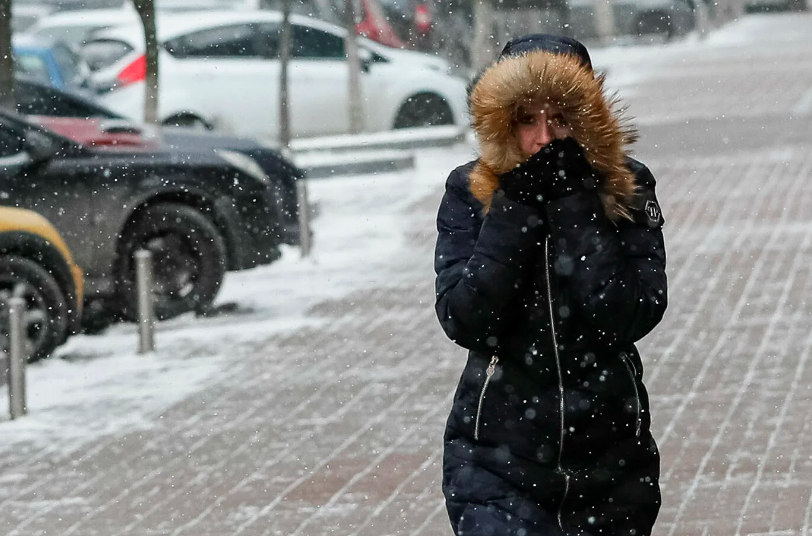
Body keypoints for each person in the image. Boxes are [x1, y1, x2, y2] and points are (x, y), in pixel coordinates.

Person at [434, 34, 667, 536]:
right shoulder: (469, 191)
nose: (544, 138)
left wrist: (573, 203)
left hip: (611, 464)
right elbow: (466, 318)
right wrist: (514, 209)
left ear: (588, 121)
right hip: (496, 461)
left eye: (561, 118)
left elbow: (630, 313)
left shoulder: (627, 185)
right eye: (527, 119)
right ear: (503, 123)